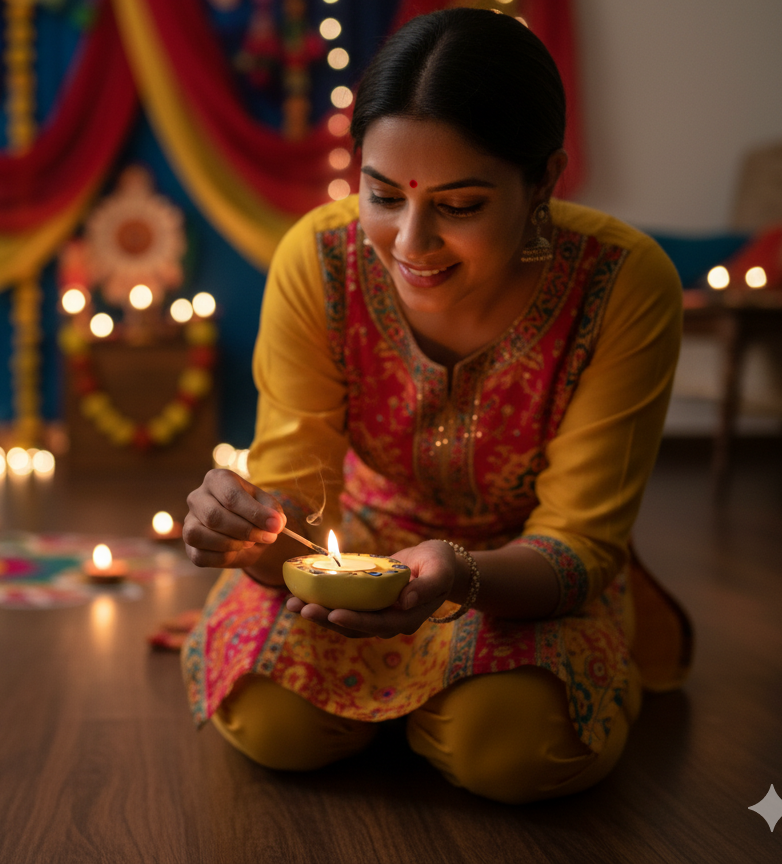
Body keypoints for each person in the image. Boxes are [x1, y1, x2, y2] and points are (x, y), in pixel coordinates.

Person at [180, 8, 692, 804]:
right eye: (383, 195)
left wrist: (464, 579)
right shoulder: (318, 259)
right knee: (272, 723)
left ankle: (427, 705)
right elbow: (297, 502)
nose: (410, 244)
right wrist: (249, 523)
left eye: (458, 206)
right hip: (360, 551)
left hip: (520, 570)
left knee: (512, 751)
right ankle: (415, 703)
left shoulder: (622, 285)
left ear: (544, 181)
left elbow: (582, 543)